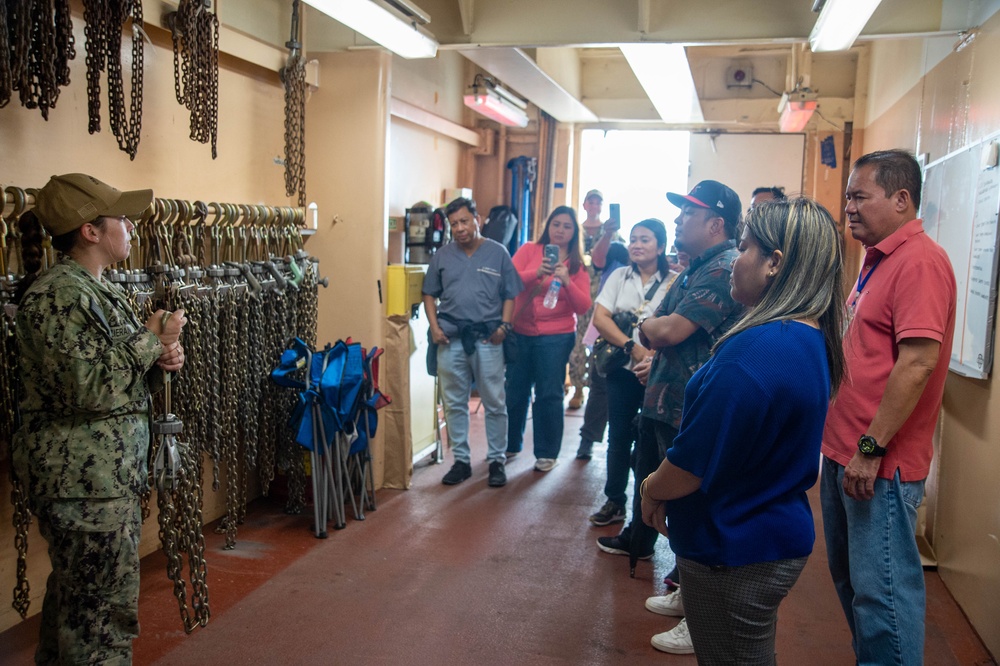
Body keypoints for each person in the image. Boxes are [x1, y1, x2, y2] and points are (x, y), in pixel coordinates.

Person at [640, 197, 847, 662]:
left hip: (735, 545)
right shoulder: (804, 334)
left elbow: (691, 464)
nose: (735, 260)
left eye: (746, 248)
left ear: (774, 263)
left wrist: (652, 489)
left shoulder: (755, 352)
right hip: (765, 534)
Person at [11, 173, 188, 665]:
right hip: (84, 485)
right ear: (91, 231)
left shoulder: (95, 290)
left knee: (78, 609)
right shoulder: (59, 297)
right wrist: (150, 338)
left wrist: (158, 362)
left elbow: (115, 386)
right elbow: (86, 389)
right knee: (100, 623)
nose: (130, 226)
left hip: (103, 481)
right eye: (122, 218)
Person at [821, 149, 956, 665]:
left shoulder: (920, 262)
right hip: (846, 453)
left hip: (877, 464)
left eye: (860, 196)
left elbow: (918, 363)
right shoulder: (879, 259)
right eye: (848, 197)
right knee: (855, 587)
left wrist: (871, 448)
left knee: (884, 599)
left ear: (901, 200)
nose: (849, 208)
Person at [597, 180, 743, 655]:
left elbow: (667, 327)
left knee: (695, 507)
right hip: (666, 399)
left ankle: (702, 617)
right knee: (678, 509)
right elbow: (658, 327)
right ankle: (686, 592)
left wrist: (650, 332)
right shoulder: (694, 267)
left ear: (715, 223)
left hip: (690, 408)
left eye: (688, 213)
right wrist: (652, 340)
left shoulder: (722, 268)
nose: (679, 221)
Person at [423, 197, 523, 488]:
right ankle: (462, 462)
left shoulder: (497, 253)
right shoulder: (443, 256)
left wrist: (505, 326)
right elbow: (429, 294)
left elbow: (509, 293)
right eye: (454, 224)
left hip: (488, 338)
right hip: (450, 338)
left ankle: (496, 461)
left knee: (494, 401)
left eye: (465, 221)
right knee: (454, 403)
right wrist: (433, 327)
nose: (460, 228)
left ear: (477, 219)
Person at [587, 219, 673, 526]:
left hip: (659, 373)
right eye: (634, 239)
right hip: (622, 370)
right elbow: (600, 318)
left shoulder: (674, 281)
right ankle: (614, 500)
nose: (636, 245)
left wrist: (652, 357)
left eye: (645, 240)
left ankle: (648, 507)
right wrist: (631, 348)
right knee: (619, 436)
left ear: (660, 246)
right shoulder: (618, 277)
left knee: (651, 439)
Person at [506, 205, 592, 471]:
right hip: (520, 332)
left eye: (567, 226)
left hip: (556, 336)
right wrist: (537, 273)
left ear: (574, 231)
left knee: (549, 394)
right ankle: (510, 444)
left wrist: (567, 281)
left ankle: (546, 452)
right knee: (515, 391)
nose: (560, 231)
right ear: (548, 226)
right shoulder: (529, 251)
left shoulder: (577, 264)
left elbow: (583, 306)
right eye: (556, 224)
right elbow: (509, 282)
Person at [573, 189, 624, 457]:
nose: (638, 246)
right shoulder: (583, 234)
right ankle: (587, 439)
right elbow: (598, 258)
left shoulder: (624, 251)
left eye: (646, 241)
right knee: (599, 379)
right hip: (593, 307)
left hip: (628, 329)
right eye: (590, 201)